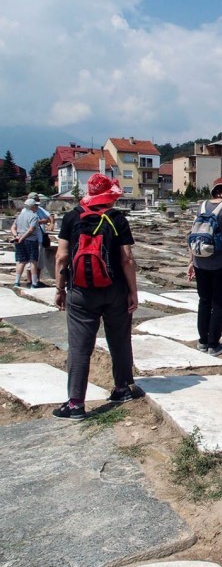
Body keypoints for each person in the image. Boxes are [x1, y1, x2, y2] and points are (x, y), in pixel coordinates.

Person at [53, 173, 142, 420]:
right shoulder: (117, 218)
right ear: (110, 196)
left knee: (80, 348)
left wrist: (60, 289)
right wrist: (133, 291)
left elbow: (61, 256)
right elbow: (127, 259)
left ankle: (75, 404)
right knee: (119, 340)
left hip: (81, 292)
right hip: (115, 290)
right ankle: (122, 388)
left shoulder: (72, 217)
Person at [187, 177, 222, 357]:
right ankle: (214, 344)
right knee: (219, 304)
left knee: (204, 301)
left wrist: (191, 261)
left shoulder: (201, 206)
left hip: (200, 260)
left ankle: (202, 342)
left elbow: (193, 234)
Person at [10, 199, 43, 288]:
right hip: (31, 240)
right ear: (32, 206)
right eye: (36, 205)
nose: (37, 207)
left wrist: (16, 236)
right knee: (33, 261)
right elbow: (31, 229)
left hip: (19, 240)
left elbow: (13, 227)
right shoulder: (34, 216)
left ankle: (17, 282)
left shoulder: (20, 216)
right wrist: (23, 237)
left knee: (21, 261)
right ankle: (34, 283)